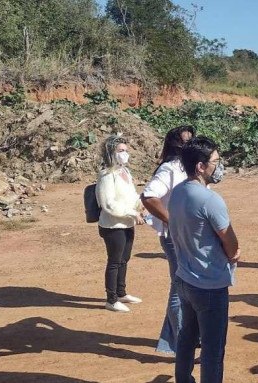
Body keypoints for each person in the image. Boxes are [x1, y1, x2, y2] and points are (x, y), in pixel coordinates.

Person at [169, 137, 240, 383]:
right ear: (200, 166)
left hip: (185, 278)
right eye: (215, 162)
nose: (218, 167)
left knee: (187, 338)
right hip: (209, 284)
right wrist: (233, 254)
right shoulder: (210, 200)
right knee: (212, 349)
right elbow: (230, 241)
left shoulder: (178, 192)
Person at [141, 125, 195, 354]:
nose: (191, 144)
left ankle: (173, 341)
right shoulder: (170, 168)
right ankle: (183, 342)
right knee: (179, 287)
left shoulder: (186, 167)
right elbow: (148, 196)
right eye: (187, 141)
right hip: (175, 237)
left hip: (187, 235)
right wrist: (172, 221)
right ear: (176, 145)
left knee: (185, 286)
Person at [96, 134, 145, 313]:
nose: (124, 154)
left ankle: (121, 292)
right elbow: (108, 204)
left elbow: (131, 195)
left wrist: (141, 206)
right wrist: (132, 212)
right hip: (113, 225)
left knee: (124, 259)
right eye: (120, 151)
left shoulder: (125, 172)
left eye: (125, 150)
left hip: (127, 223)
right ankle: (111, 299)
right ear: (111, 153)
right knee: (115, 261)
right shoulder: (107, 175)